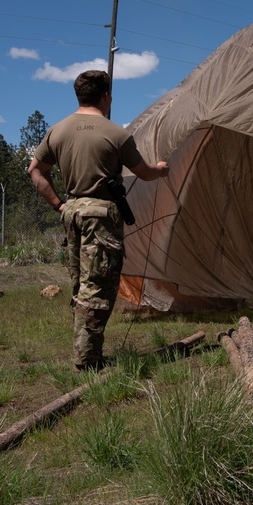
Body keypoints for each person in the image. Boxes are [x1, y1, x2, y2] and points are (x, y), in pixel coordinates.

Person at [28, 70, 169, 371]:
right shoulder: (116, 134)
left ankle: (86, 351)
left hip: (72, 212)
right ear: (106, 96)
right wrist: (160, 168)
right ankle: (87, 361)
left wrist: (59, 205)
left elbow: (35, 171)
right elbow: (144, 172)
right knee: (98, 286)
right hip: (101, 217)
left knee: (81, 283)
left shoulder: (58, 131)